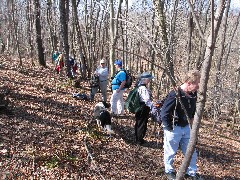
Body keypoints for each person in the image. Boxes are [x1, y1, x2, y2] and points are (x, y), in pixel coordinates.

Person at [160, 70, 201, 180]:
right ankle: (169, 171)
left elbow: (192, 111)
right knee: (170, 152)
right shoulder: (175, 94)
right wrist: (169, 128)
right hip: (174, 128)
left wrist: (192, 126)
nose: (198, 86)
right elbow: (164, 113)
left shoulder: (193, 94)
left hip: (187, 127)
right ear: (188, 83)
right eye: (196, 83)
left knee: (191, 151)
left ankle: (191, 173)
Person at [135, 72, 154, 145]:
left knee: (139, 123)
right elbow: (147, 100)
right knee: (142, 124)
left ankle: (138, 138)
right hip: (143, 107)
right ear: (145, 80)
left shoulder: (139, 87)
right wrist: (152, 106)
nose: (149, 80)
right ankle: (139, 140)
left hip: (139, 107)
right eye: (148, 79)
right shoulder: (143, 88)